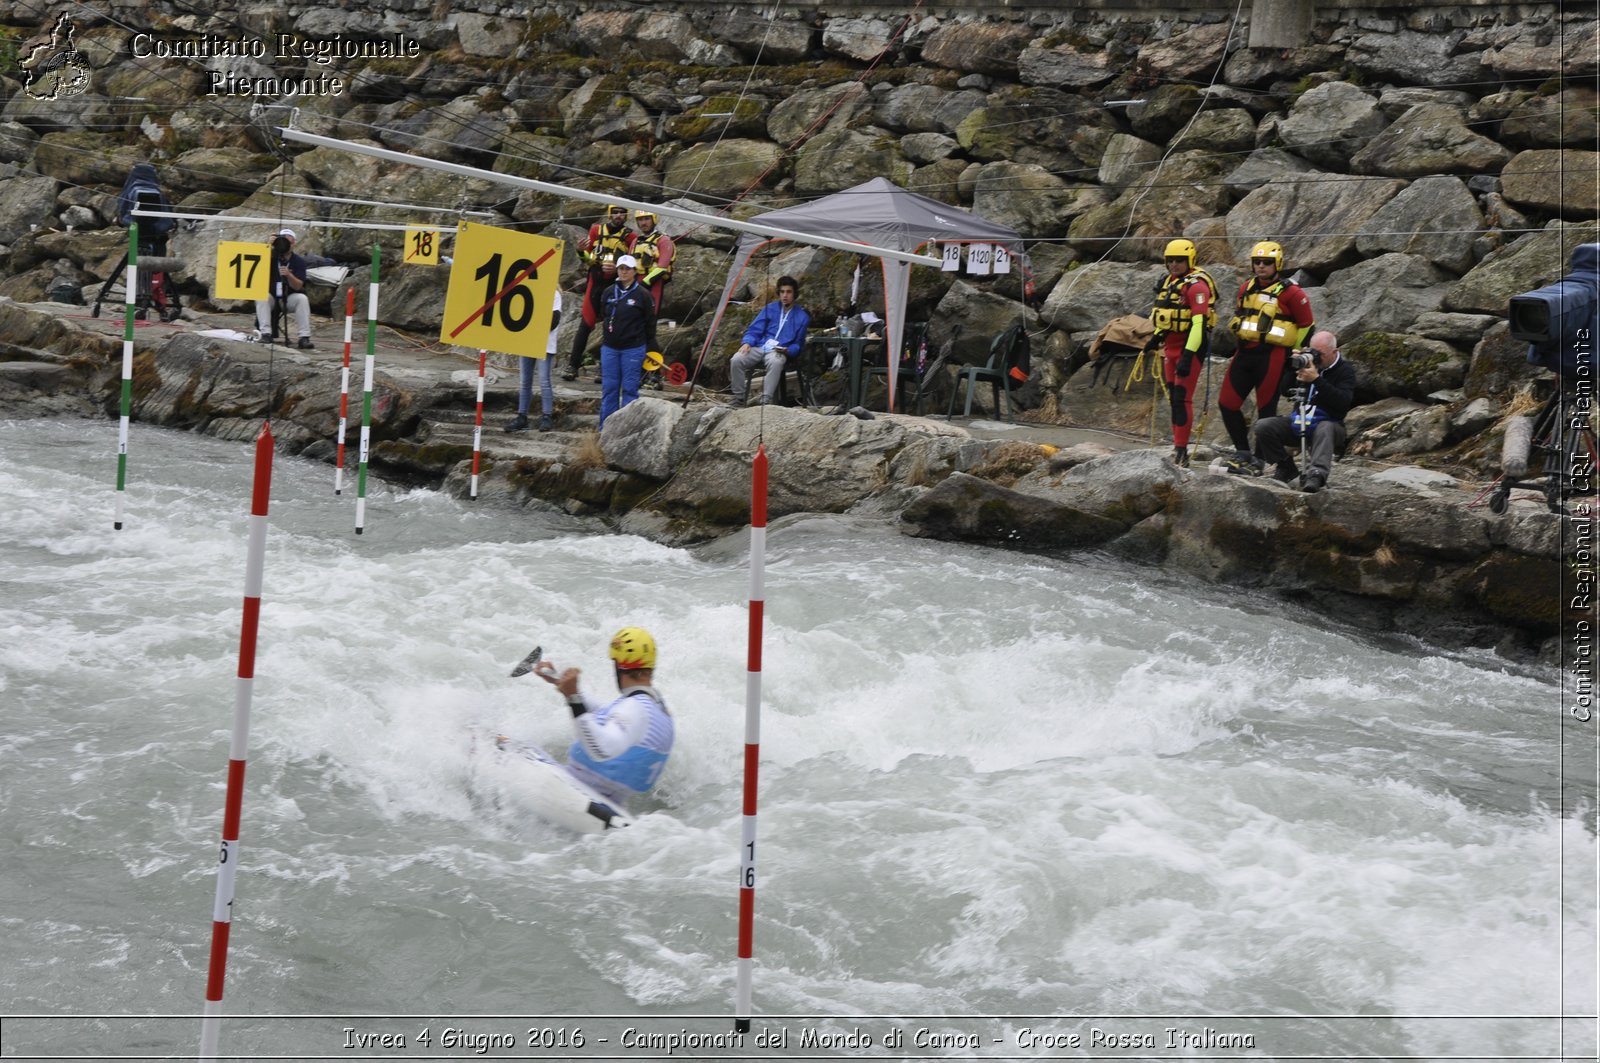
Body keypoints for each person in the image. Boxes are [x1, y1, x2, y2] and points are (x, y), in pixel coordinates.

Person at [530, 626, 674, 812]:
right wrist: (559, 681)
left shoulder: (636, 708)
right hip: (610, 803)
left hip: (575, 791)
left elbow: (601, 749)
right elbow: (604, 715)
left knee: (498, 742)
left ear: (619, 666)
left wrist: (574, 698)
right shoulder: (657, 708)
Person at [1220, 240, 1315, 471]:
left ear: (1277, 264)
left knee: (1266, 410)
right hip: (1245, 354)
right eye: (1257, 262)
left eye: (1267, 262)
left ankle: (1260, 460)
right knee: (1226, 403)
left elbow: (1307, 325)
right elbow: (1240, 314)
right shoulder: (1246, 288)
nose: (1261, 266)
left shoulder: (1292, 293)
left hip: (1273, 356)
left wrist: (1297, 352)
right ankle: (1243, 452)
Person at [1249, 331, 1354, 494]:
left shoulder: (1345, 370)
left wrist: (1317, 380)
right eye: (1313, 351)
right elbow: (1285, 391)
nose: (1316, 357)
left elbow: (1342, 403)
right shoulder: (1307, 364)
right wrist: (1293, 369)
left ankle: (1316, 475)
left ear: (1335, 352)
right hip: (1300, 420)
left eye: (1320, 354)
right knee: (1264, 426)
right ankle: (1286, 468)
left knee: (1325, 427)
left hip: (1330, 425)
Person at [1150, 238, 1215, 468]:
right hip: (1171, 347)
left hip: (1190, 347)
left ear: (1190, 260)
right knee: (1173, 400)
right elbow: (1166, 315)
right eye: (1171, 260)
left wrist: (1188, 355)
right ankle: (1177, 447)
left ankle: (1181, 451)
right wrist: (1156, 336)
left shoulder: (1197, 286)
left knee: (1182, 397)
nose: (1174, 264)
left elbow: (1198, 324)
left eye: (1180, 260)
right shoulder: (1169, 282)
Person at [565, 204, 635, 381]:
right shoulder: (596, 230)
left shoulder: (630, 236)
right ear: (610, 214)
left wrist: (617, 268)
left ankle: (605, 370)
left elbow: (633, 264)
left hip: (615, 285)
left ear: (626, 216)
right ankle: (573, 365)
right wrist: (580, 251)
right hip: (595, 281)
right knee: (586, 323)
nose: (618, 216)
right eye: (615, 213)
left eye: (622, 213)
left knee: (610, 326)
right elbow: (587, 259)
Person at [728, 275, 811, 407]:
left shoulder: (802, 317)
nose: (785, 295)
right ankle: (739, 397)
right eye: (782, 292)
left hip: (779, 351)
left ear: (794, 294)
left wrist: (787, 350)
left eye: (789, 292)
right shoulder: (770, 309)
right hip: (761, 346)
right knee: (736, 359)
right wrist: (747, 343)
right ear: (778, 293)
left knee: (776, 361)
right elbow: (755, 329)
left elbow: (798, 344)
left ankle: (766, 399)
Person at [597, 255, 657, 427]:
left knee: (630, 389)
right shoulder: (608, 292)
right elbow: (603, 314)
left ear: (634, 271)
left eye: (627, 269)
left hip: (633, 348)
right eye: (621, 268)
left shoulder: (643, 295)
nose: (624, 272)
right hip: (610, 347)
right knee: (609, 388)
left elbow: (650, 322)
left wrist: (650, 347)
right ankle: (605, 429)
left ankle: (626, 429)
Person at [115, 162, 179, 322]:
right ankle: (162, 306)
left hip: (139, 239)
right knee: (157, 273)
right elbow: (169, 221)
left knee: (139, 271)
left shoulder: (130, 191)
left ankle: (139, 303)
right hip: (157, 242)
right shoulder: (158, 193)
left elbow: (123, 217)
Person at [505, 289, 562, 433]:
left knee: (544, 380)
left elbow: (553, 320)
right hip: (526, 340)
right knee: (524, 381)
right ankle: (522, 416)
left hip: (544, 343)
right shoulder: (528, 289)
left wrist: (533, 323)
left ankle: (547, 416)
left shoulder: (554, 294)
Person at [253, 228, 314, 349]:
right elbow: (256, 261)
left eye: (290, 242)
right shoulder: (270, 256)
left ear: (294, 243)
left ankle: (304, 337)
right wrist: (268, 245)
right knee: (261, 295)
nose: (287, 245)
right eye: (284, 242)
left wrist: (289, 275)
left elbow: (298, 286)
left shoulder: (299, 262)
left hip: (288, 297)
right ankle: (266, 334)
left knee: (302, 299)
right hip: (271, 297)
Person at [632, 210, 674, 313]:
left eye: (647, 219)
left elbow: (662, 267)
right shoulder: (635, 241)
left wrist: (644, 283)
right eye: (640, 220)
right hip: (635, 281)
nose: (643, 223)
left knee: (650, 314)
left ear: (654, 219)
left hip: (654, 282)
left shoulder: (664, 240)